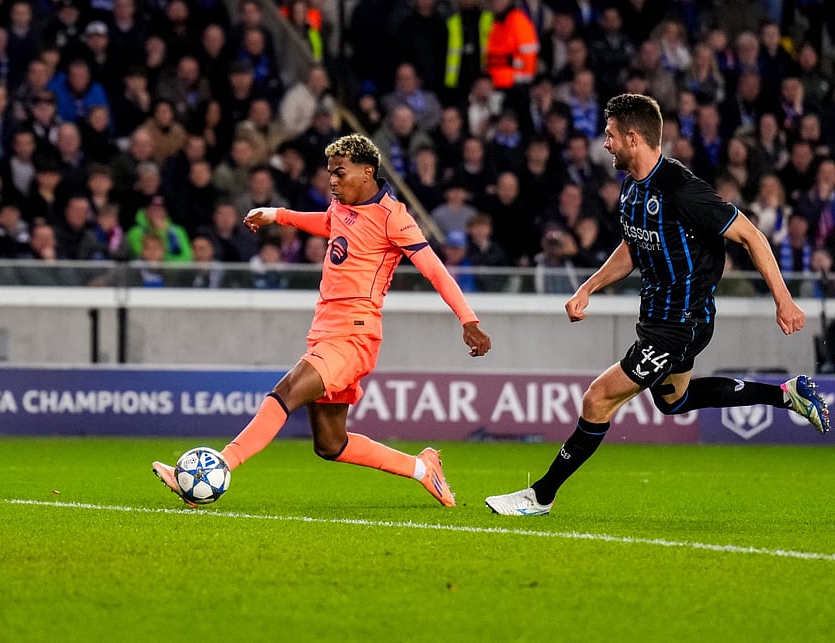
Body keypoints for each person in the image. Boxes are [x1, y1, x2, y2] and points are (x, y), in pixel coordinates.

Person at [486, 94, 830, 517]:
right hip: (658, 318)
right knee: (673, 401)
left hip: (681, 321)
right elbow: (632, 247)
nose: (606, 143)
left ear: (634, 138)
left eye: (611, 135)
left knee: (597, 399)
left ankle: (540, 496)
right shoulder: (632, 188)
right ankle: (787, 395)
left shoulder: (682, 189)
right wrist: (588, 288)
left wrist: (784, 300)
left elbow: (751, 236)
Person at [152, 135, 492, 507]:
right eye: (330, 173)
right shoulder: (342, 206)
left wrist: (468, 320)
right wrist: (277, 215)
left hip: (354, 335)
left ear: (367, 172)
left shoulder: (393, 217)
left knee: (285, 392)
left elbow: (435, 270)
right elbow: (328, 223)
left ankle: (215, 470)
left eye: (339, 173)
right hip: (326, 330)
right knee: (330, 444)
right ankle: (422, 468)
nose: (332, 180)